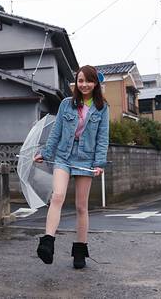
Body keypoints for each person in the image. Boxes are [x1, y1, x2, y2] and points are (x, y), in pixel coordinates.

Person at [33, 65, 109, 269]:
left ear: (96, 83)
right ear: (76, 82)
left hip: (86, 159)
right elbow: (56, 132)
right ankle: (47, 243)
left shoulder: (102, 107)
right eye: (81, 80)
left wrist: (99, 163)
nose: (84, 85)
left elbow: (103, 138)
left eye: (89, 81)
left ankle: (80, 251)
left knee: (81, 206)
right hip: (63, 156)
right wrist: (45, 153)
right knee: (57, 196)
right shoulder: (66, 104)